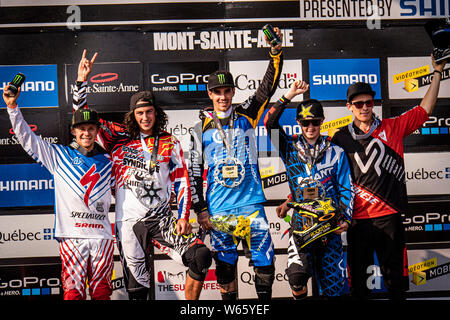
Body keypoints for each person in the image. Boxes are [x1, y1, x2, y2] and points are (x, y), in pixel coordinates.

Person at [73, 50, 212, 300]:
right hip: (128, 223)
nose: (145, 117)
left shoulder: (170, 142)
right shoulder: (117, 137)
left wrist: (182, 216)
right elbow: (83, 118)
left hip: (161, 220)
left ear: (156, 113)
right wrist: (81, 82)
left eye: (149, 112)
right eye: (139, 113)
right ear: (133, 116)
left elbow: (182, 180)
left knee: (200, 256)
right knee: (138, 291)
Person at [331, 56, 447, 300]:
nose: (364, 107)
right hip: (357, 222)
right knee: (358, 289)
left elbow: (424, 110)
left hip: (389, 219)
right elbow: (325, 175)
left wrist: (437, 72)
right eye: (358, 103)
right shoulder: (339, 138)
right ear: (349, 106)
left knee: (397, 287)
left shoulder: (392, 127)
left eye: (368, 102)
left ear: (373, 103)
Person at [188, 27, 284, 300]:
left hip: (251, 206)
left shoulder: (247, 113)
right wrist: (201, 210)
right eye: (217, 91)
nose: (223, 96)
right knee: (226, 270)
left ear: (232, 91)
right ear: (210, 94)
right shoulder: (199, 129)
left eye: (227, 90)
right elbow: (194, 173)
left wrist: (275, 53)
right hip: (220, 210)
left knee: (265, 266)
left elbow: (267, 87)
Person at [4, 85, 114, 300]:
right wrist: (12, 108)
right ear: (74, 131)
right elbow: (28, 139)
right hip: (72, 236)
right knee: (73, 294)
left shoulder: (109, 161)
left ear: (97, 131)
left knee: (102, 293)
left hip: (102, 236)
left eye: (91, 128)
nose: (86, 133)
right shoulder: (58, 156)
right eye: (81, 128)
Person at [264, 80, 353, 299]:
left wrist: (346, 219)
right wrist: (290, 94)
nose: (310, 127)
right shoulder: (289, 147)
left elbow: (345, 189)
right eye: (305, 123)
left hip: (329, 229)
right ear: (298, 122)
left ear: (322, 121)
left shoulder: (337, 152)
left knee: (333, 289)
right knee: (296, 279)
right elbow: (269, 122)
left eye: (314, 122)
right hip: (301, 226)